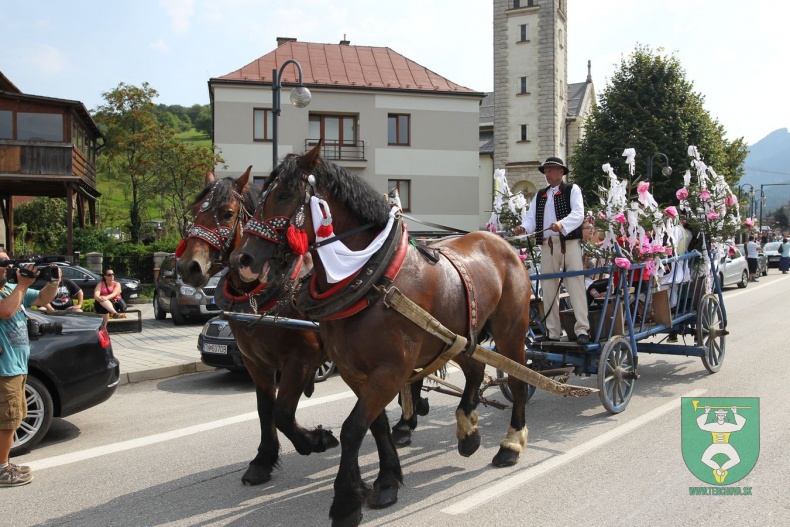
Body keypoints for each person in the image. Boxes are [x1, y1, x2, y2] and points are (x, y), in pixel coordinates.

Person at [0, 251, 61, 487]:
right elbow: (5, 311)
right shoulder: (14, 291)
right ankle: (2, 469)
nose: (6, 267)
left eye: (6, 262)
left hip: (15, 367)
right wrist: (23, 285)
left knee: (13, 418)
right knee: (6, 421)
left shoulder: (9, 290)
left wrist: (54, 280)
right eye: (2, 263)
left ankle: (3, 463)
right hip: (3, 370)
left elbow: (43, 298)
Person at [514, 157, 589, 344]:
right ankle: (552, 332)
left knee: (575, 285)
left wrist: (561, 225)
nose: (547, 174)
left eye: (550, 170)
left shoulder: (572, 190)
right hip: (547, 245)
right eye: (545, 170)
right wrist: (524, 228)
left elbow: (578, 214)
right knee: (548, 288)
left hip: (568, 243)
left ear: (561, 172)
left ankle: (582, 330)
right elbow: (531, 219)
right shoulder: (541, 195)